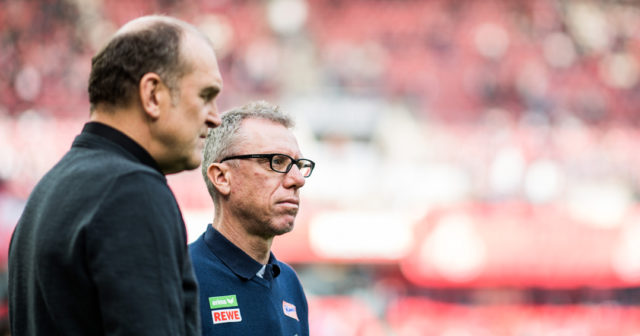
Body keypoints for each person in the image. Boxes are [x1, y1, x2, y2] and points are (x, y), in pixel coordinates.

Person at [8, 15, 223, 335]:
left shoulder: (48, 189)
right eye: (206, 96)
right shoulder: (133, 191)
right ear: (152, 94)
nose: (215, 118)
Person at [190, 101, 313, 335]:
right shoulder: (179, 277)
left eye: (298, 165)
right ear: (222, 177)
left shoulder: (289, 282)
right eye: (277, 162)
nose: (298, 179)